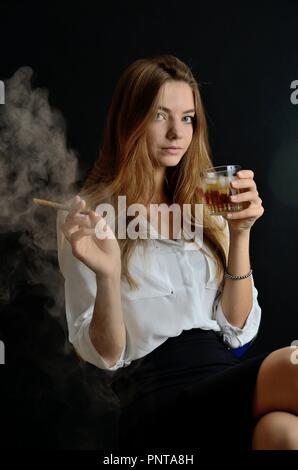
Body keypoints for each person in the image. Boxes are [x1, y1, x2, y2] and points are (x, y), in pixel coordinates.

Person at [57, 55, 298, 451]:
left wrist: (240, 234)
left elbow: (235, 330)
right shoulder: (90, 215)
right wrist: (106, 273)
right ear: (130, 119)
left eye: (187, 118)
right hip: (156, 399)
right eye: (160, 116)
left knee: (284, 434)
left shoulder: (207, 202)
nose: (176, 133)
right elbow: (104, 354)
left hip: (223, 378)